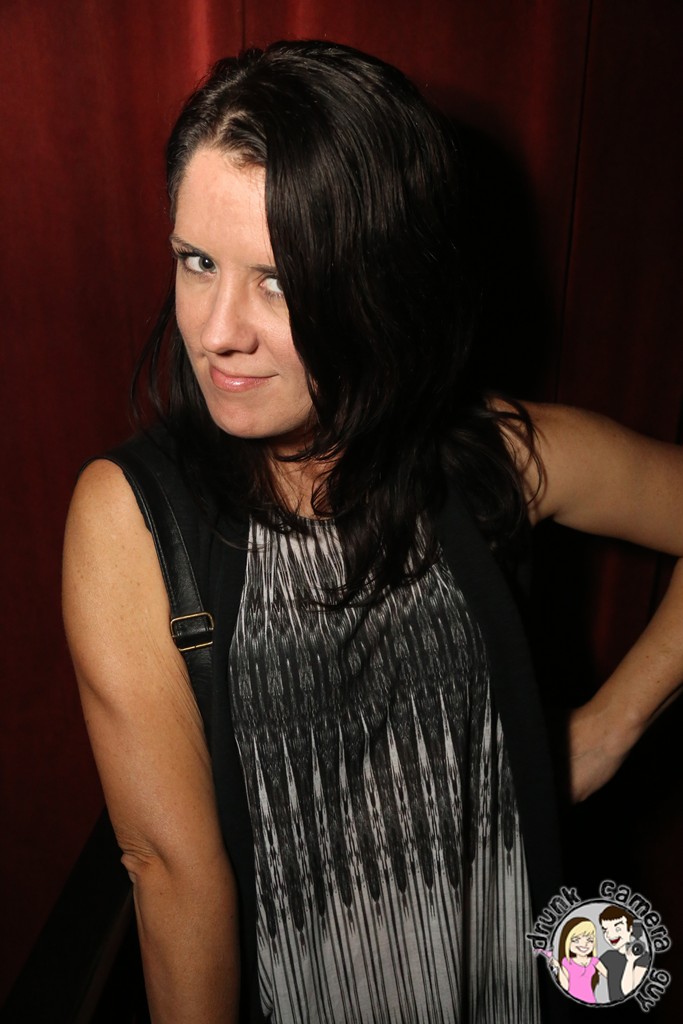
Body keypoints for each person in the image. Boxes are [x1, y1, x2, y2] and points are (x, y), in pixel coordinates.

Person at [62, 40, 683, 1024]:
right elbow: (171, 872)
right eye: (196, 262)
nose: (218, 330)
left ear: (382, 280)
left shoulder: (487, 456)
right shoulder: (133, 519)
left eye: (278, 280)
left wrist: (606, 733)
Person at [599, 906, 651, 1002]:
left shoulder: (643, 957)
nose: (610, 935)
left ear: (630, 929)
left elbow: (628, 992)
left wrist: (630, 961)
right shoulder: (608, 956)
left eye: (618, 929)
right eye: (605, 930)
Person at [551, 917, 607, 1004]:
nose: (584, 944)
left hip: (591, 1001)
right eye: (576, 940)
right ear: (567, 941)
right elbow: (565, 987)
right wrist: (558, 967)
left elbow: (610, 976)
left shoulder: (594, 961)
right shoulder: (566, 962)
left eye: (590, 940)